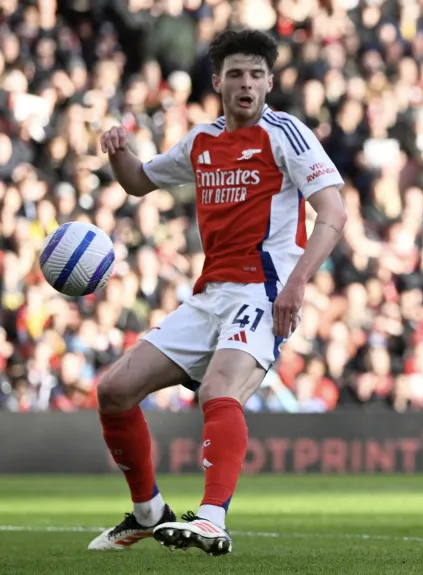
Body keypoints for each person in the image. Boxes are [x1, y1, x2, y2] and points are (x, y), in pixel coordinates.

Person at [89, 29, 347, 555]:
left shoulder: (286, 135)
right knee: (114, 391)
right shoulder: (202, 142)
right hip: (207, 297)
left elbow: (335, 213)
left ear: (269, 82)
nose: (246, 83)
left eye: (255, 74)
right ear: (218, 82)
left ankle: (211, 518)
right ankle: (147, 512)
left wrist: (297, 283)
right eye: (235, 74)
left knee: (219, 392)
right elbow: (139, 181)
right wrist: (118, 150)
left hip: (263, 292)